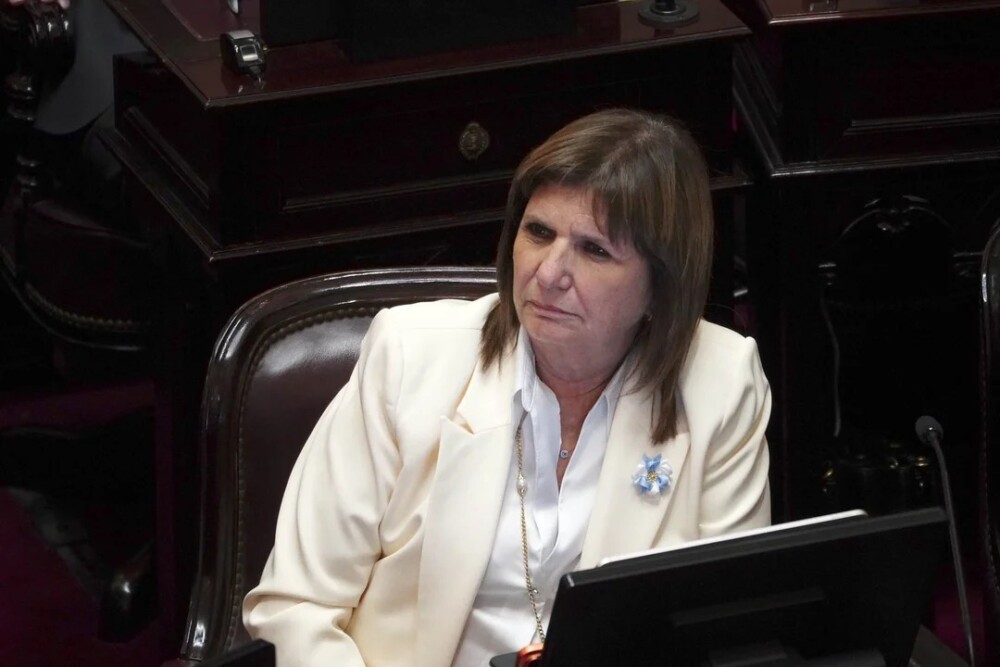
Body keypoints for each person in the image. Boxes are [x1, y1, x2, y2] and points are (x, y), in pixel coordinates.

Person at [243, 108, 772, 667]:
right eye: (538, 232)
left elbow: (726, 630)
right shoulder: (408, 357)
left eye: (595, 250)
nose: (549, 273)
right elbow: (296, 608)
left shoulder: (721, 383)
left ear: (661, 287)